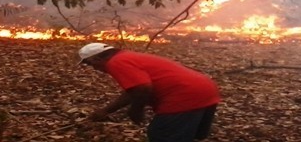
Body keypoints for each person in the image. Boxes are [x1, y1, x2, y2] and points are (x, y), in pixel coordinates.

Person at [77, 42, 220, 142]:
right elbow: (133, 90)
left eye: (89, 64)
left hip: (185, 95)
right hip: (206, 89)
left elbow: (142, 88)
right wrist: (107, 110)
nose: (93, 68)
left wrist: (136, 110)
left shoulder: (115, 63)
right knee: (187, 135)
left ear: (97, 58)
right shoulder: (126, 56)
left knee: (161, 135)